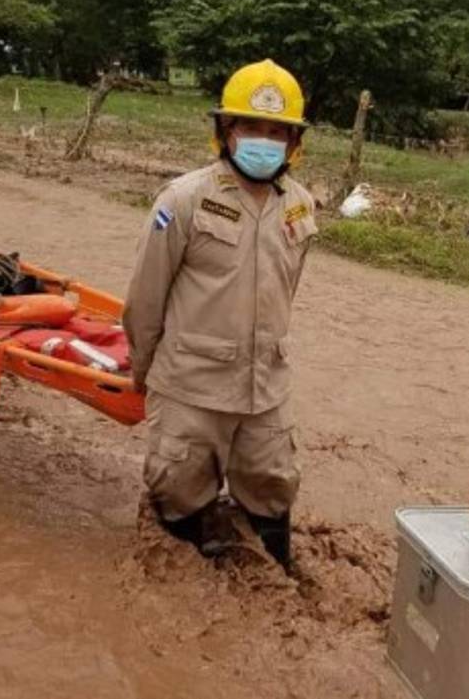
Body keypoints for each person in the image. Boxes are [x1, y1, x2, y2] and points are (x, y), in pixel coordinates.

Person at [123, 59, 317, 567]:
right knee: (178, 494)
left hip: (264, 388)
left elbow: (285, 292)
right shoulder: (183, 199)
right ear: (225, 132)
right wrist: (145, 371)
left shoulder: (299, 205)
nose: (264, 140)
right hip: (191, 385)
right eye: (250, 126)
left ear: (294, 141)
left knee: (273, 488)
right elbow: (146, 296)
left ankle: (275, 582)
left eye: (278, 130)